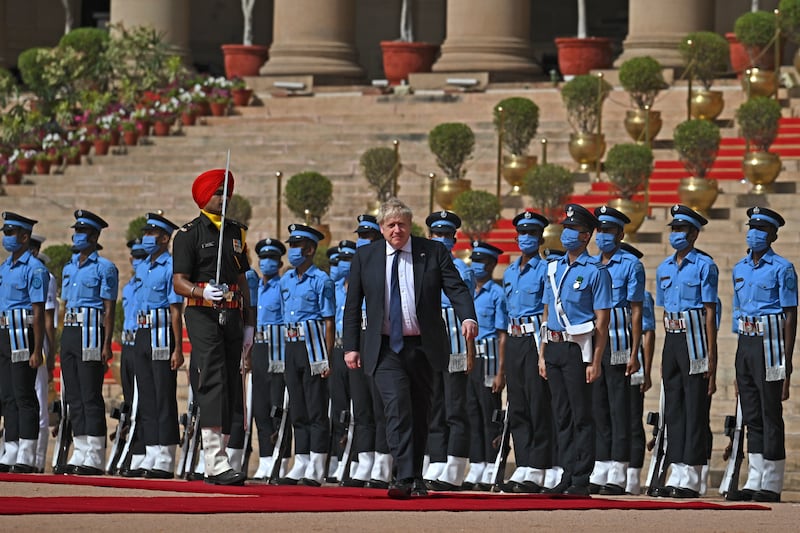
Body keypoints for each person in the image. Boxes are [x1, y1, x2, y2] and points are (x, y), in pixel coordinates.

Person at [342, 198, 478, 499]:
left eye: (402, 224)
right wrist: (351, 347)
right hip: (385, 347)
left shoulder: (432, 252)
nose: (396, 230)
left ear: (410, 226)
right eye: (390, 225)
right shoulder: (366, 257)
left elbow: (456, 288)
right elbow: (352, 307)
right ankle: (402, 474)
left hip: (422, 346)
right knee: (398, 406)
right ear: (381, 228)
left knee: (419, 411)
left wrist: (467, 315)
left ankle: (414, 475)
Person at [172, 168, 255, 486]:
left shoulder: (237, 233)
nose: (224, 199)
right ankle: (213, 460)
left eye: (227, 194)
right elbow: (179, 281)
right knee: (213, 379)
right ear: (204, 197)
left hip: (232, 314)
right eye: (218, 193)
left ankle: (226, 459)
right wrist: (200, 290)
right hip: (202, 313)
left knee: (233, 386)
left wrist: (250, 324)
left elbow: (243, 280)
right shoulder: (189, 234)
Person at [539, 204, 611, 496]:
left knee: (581, 414)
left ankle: (581, 476)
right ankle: (566, 472)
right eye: (565, 227)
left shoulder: (596, 271)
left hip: (578, 349)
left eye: (572, 229)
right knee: (561, 413)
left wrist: (595, 361)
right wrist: (541, 354)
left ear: (585, 236)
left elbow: (602, 322)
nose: (565, 233)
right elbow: (546, 313)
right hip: (554, 347)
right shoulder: (554, 269)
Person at [728, 207, 796, 503]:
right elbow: (736, 309)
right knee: (751, 413)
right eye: (751, 227)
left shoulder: (782, 268)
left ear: (772, 236)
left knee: (770, 412)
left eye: (761, 230)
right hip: (746, 342)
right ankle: (754, 477)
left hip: (771, 343)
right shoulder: (740, 268)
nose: (754, 233)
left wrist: (787, 359)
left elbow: (791, 315)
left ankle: (772, 479)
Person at [654, 204, 718, 498]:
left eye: (681, 230)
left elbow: (709, 313)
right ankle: (676, 468)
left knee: (694, 407)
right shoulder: (664, 267)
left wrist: (711, 358)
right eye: (674, 229)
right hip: (673, 337)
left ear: (694, 233)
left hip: (695, 339)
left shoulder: (705, 266)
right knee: (675, 408)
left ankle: (692, 473)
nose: (676, 235)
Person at [588, 206, 644, 495]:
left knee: (619, 407)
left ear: (621, 234)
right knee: (598, 406)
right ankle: (602, 463)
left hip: (621, 342)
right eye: (600, 230)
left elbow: (636, 312)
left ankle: (619, 469)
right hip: (595, 342)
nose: (603, 236)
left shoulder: (631, 264)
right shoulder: (592, 265)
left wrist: (635, 353)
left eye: (609, 231)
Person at [276, 223, 335, 487]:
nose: (293, 251)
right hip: (291, 346)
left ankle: (317, 461)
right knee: (297, 406)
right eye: (291, 246)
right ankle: (301, 459)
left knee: (316, 407)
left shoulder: (322, 280)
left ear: (310, 249)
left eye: (297, 246)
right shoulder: (285, 280)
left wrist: (327, 357)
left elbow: (329, 321)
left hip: (313, 347)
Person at [60, 209, 119, 475]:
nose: (78, 236)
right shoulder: (69, 267)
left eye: (83, 232)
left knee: (89, 393)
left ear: (95, 236)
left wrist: (107, 343)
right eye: (76, 231)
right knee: (73, 394)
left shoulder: (105, 267)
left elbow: (109, 307)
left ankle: (94, 453)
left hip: (92, 331)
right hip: (71, 331)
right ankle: (80, 448)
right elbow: (64, 304)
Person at [501, 210, 555, 493]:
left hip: (535, 338)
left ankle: (540, 464)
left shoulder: (546, 269)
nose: (526, 238)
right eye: (522, 233)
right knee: (518, 402)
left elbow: (546, 313)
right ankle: (523, 463)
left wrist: (544, 351)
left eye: (532, 233)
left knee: (538, 402)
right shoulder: (510, 271)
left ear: (540, 237)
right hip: (514, 338)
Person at [423, 210, 475, 490]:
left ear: (454, 239)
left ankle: (455, 465)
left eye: (447, 235)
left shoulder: (463, 270)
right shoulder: (422, 268)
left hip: (455, 340)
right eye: (437, 234)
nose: (442, 239)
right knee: (434, 405)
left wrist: (470, 352)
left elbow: (467, 311)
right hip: (431, 339)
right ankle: (437, 460)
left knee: (455, 406)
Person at [342, 214, 393, 489]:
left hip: (379, 340)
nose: (363, 241)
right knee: (361, 405)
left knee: (381, 404)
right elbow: (349, 312)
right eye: (360, 236)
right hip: (358, 340)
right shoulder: (355, 268)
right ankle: (365, 460)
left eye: (369, 237)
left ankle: (384, 462)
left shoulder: (387, 266)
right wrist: (350, 347)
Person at [133, 213, 184, 478]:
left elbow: (176, 310)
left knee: (164, 395)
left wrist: (177, 348)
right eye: (146, 232)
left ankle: (166, 454)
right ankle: (151, 450)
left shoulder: (171, 266)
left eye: (153, 234)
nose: (147, 237)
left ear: (165, 238)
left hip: (163, 333)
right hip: (142, 332)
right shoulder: (142, 266)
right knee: (147, 396)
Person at [0, 212, 48, 472]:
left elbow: (38, 311)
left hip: (23, 334)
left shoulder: (35, 268)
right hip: (4, 334)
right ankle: (11, 448)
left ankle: (27, 452)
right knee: (7, 395)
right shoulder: (4, 268)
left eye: (11, 233)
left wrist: (37, 348)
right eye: (5, 233)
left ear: (25, 236)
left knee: (23, 395)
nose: (6, 238)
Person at [464, 241, 506, 490]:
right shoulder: (468, 293)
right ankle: (477, 463)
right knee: (471, 412)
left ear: (492, 265)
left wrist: (502, 371)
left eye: (483, 262)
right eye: (475, 261)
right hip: (472, 358)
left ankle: (492, 464)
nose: (478, 266)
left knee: (489, 413)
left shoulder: (496, 294)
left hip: (491, 358)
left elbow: (502, 334)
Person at [251, 237, 289, 480]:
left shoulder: (282, 286)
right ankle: (265, 459)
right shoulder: (256, 288)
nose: (266, 263)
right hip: (259, 348)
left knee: (278, 407)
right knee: (260, 407)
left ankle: (281, 460)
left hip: (278, 351)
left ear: (279, 262)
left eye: (272, 259)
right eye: (263, 258)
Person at [618, 242, 655, 495]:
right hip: (613, 358)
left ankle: (633, 473)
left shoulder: (644, 296)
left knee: (632, 418)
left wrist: (648, 369)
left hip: (634, 361)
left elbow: (648, 333)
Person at [116, 238, 148, 476]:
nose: (137, 261)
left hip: (143, 343)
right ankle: (130, 448)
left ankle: (141, 450)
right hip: (127, 345)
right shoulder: (128, 287)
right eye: (134, 257)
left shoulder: (148, 284)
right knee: (130, 400)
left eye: (141, 256)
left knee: (143, 401)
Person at [28, 233, 58, 473]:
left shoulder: (44, 276)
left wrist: (49, 352)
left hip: (37, 340)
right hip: (14, 336)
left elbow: (48, 320)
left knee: (38, 400)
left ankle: (37, 458)